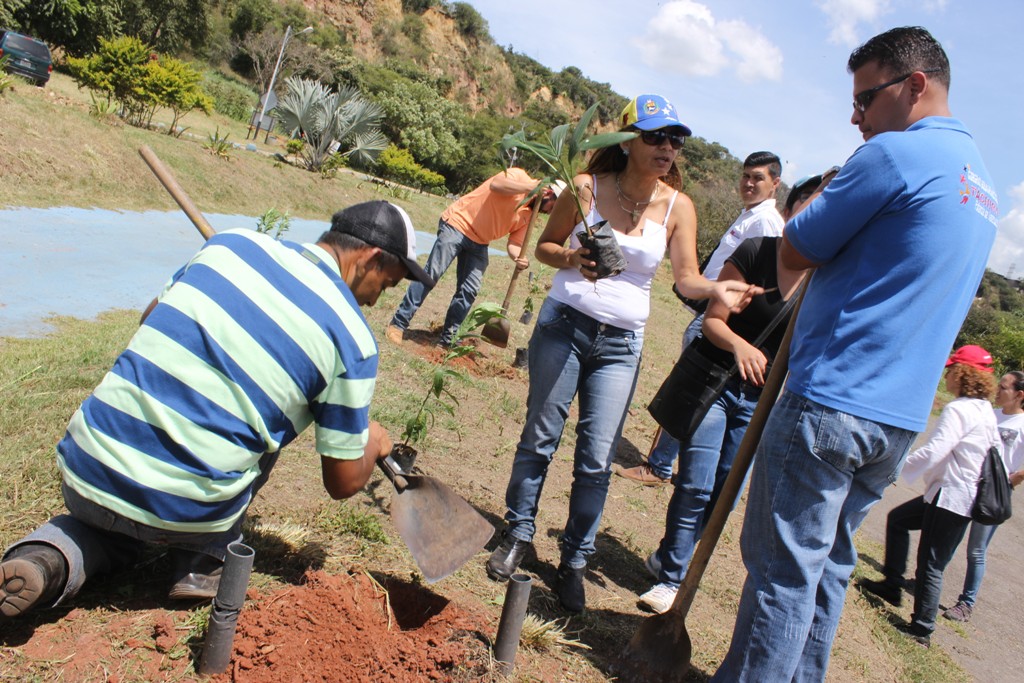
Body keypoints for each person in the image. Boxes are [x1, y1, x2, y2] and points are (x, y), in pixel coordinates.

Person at [712, 27, 998, 681]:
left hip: (830, 401)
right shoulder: (980, 185)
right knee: (828, 569)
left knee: (782, 573)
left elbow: (794, 245)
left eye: (866, 98)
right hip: (896, 419)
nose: (856, 115)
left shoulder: (894, 156)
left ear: (915, 85)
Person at [0, 201, 433, 620]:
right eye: (387, 284)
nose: (377, 302)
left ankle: (47, 559)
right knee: (266, 430)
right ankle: (202, 560)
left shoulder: (230, 244)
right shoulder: (352, 338)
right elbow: (341, 484)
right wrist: (372, 442)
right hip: (184, 512)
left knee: (112, 533)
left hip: (86, 469)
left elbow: (152, 319)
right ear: (370, 258)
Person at [484, 93, 759, 612]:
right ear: (627, 141)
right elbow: (544, 247)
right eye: (656, 136)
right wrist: (573, 257)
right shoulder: (587, 187)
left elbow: (686, 278)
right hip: (564, 323)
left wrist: (717, 291)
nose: (668, 147)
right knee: (540, 436)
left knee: (596, 459)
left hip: (621, 345)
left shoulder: (680, 207)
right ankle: (517, 532)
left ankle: (574, 561)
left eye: (675, 139)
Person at [638, 233, 809, 613]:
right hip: (714, 384)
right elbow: (712, 322)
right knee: (697, 484)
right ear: (798, 206)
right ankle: (671, 580)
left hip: (759, 404)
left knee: (723, 496)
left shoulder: (822, 280)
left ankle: (669, 554)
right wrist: (740, 345)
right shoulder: (757, 251)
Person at [617, 151, 785, 485]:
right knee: (688, 388)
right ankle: (660, 463)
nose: (749, 183)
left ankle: (659, 466)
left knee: (690, 391)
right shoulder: (750, 214)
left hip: (720, 321)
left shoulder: (766, 223)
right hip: (709, 312)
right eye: (746, 176)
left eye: (758, 178)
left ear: (775, 183)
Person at [859, 346, 999, 647]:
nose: (946, 375)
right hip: (957, 496)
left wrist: (895, 468)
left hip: (950, 498)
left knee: (931, 563)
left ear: (963, 373)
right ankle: (892, 584)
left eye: (951, 369)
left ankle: (922, 628)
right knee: (898, 520)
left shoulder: (959, 409)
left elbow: (937, 449)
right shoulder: (984, 410)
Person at [385, 170, 564, 348]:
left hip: (480, 242)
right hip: (458, 224)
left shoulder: (530, 215)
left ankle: (448, 340)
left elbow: (515, 243)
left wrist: (518, 256)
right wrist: (531, 187)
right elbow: (496, 185)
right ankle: (398, 324)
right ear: (548, 193)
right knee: (432, 274)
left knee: (469, 289)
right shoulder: (519, 176)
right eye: (553, 207)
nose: (549, 213)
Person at [942, 369, 1024, 622]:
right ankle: (930, 579)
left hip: (995, 494)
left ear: (1019, 395)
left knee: (976, 550)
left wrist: (1007, 482)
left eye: (1004, 388)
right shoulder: (992, 415)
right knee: (950, 537)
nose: (997, 391)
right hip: (969, 485)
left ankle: (966, 603)